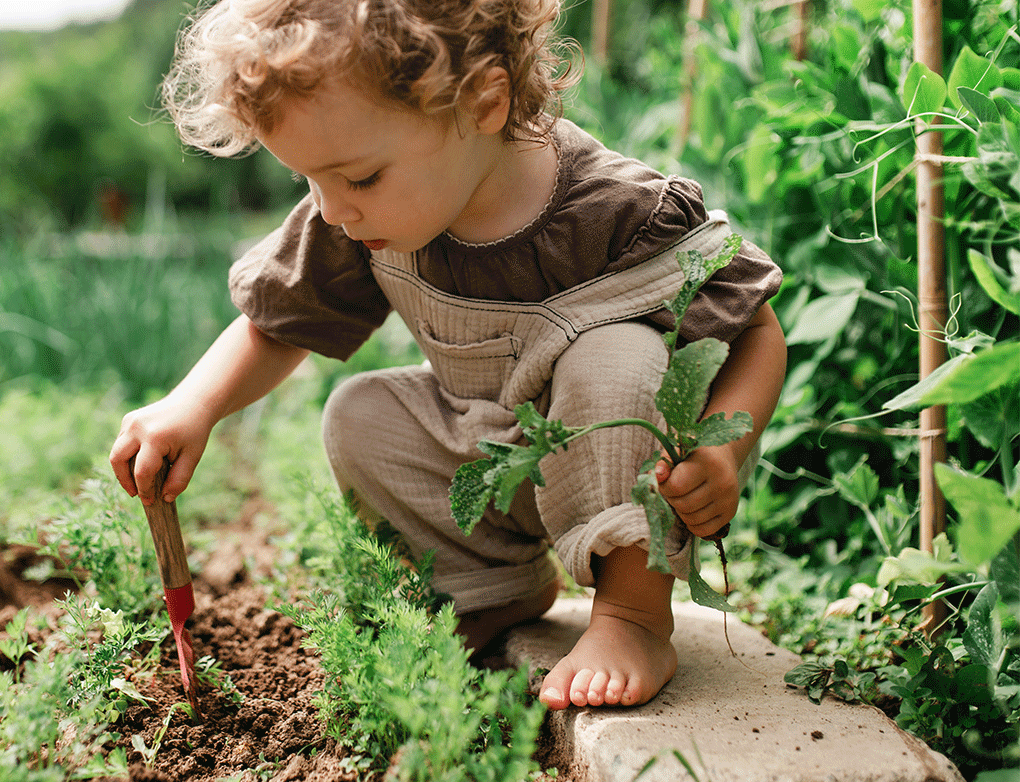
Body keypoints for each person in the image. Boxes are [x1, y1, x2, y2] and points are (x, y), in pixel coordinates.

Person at [110, 0, 786, 710]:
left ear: (485, 101)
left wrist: (722, 453)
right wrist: (192, 406)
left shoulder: (616, 210)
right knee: (361, 414)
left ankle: (633, 617)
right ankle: (491, 588)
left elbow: (756, 329)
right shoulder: (359, 206)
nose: (335, 209)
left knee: (614, 357)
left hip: (611, 453)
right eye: (311, 181)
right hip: (489, 453)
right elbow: (277, 321)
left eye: (359, 179)